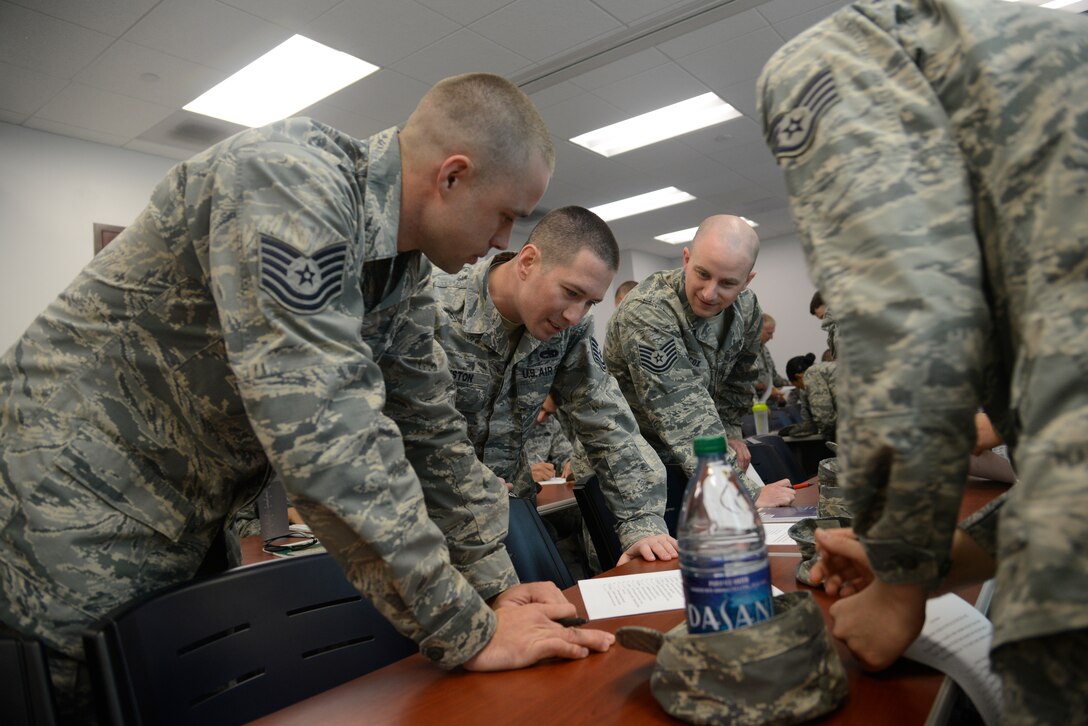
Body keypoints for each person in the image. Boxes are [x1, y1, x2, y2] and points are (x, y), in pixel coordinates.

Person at [0, 73, 615, 718]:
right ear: (452, 176)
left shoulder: (398, 272)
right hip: (65, 509)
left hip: (178, 520)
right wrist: (464, 628)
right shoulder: (289, 182)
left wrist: (494, 589)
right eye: (507, 215)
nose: (503, 242)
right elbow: (325, 435)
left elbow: (429, 435)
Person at [759, 0, 1087, 720]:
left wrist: (901, 586)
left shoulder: (840, 58)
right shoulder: (1040, 48)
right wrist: (937, 563)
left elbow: (909, 321)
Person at [432, 206, 677, 565]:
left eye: (590, 302)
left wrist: (642, 524)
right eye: (570, 292)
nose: (575, 315)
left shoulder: (570, 330)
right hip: (423, 528)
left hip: (510, 519)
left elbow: (605, 419)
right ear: (528, 261)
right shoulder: (432, 307)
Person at [604, 215, 795, 509]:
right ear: (686, 258)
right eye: (702, 274)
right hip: (633, 468)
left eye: (728, 283)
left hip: (694, 463)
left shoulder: (746, 308)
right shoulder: (648, 311)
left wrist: (730, 435)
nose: (709, 293)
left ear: (747, 281)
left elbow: (738, 380)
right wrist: (744, 492)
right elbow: (682, 414)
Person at [752, 312, 788, 404]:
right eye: (769, 333)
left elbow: (774, 376)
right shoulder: (743, 351)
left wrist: (790, 384)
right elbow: (740, 382)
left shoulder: (764, 349)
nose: (771, 337)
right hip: (750, 405)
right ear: (757, 330)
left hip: (767, 403)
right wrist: (762, 387)